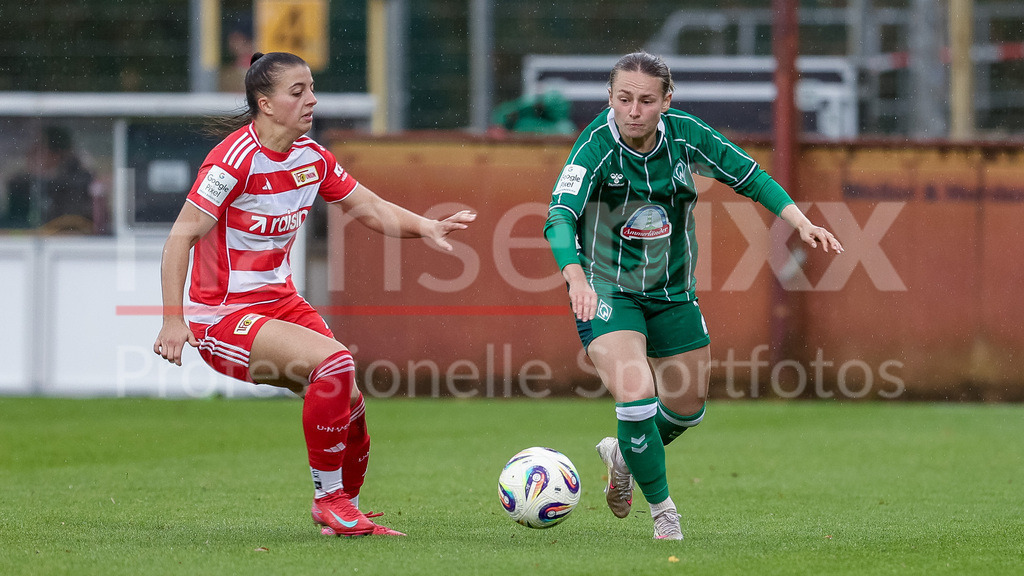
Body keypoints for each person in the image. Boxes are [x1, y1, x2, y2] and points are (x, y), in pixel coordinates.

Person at [153, 52, 475, 537]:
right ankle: (329, 501)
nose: (312, 100)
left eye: (312, 89)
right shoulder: (231, 162)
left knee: (351, 401)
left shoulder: (312, 158)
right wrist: (173, 319)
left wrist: (425, 226)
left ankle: (347, 512)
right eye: (297, 91)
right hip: (223, 315)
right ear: (265, 103)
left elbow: (370, 207)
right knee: (336, 364)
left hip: (281, 304)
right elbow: (180, 238)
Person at [543, 52, 843, 540]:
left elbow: (751, 177)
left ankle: (623, 455)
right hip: (606, 289)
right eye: (623, 99)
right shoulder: (595, 147)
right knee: (636, 395)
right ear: (610, 97)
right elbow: (559, 216)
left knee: (686, 409)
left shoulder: (685, 135)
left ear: (667, 100)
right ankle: (664, 514)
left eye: (646, 100)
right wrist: (575, 277)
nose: (633, 111)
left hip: (674, 293)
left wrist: (800, 222)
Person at [4, 125, 103, 233]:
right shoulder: (21, 185)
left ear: (56, 154)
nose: (29, 153)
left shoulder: (77, 185)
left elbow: (76, 225)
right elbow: (13, 223)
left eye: (38, 149)